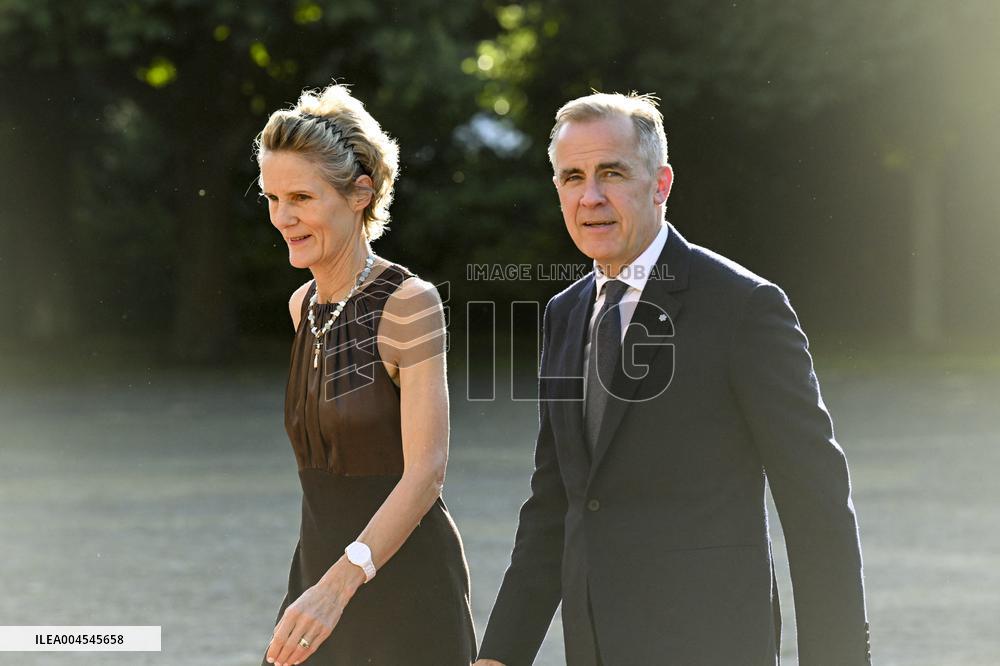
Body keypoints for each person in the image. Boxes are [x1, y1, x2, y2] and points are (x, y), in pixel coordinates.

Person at [475, 93, 871, 665]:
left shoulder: (744, 307)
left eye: (612, 173)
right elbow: (555, 502)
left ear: (660, 184)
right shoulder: (564, 313)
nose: (590, 197)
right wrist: (500, 655)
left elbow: (818, 502)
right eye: (572, 177)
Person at [254, 83, 476, 666]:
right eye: (272, 198)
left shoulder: (410, 304)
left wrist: (340, 583)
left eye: (301, 196)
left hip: (404, 587)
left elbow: (426, 473)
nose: (283, 217)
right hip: (315, 577)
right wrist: (318, 585)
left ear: (359, 194)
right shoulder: (302, 307)